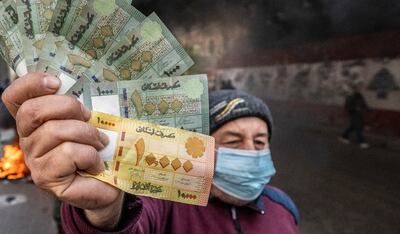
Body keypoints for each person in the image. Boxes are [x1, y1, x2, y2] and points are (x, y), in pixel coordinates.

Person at [2, 73, 300, 234]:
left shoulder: (283, 207)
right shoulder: (165, 205)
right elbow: (130, 225)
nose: (251, 152)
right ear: (199, 148)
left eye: (260, 142)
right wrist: (106, 212)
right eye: (233, 141)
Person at [339, 84, 370, 149]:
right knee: (358, 127)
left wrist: (368, 109)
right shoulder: (350, 97)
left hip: (359, 114)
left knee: (353, 127)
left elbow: (364, 104)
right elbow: (347, 106)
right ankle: (362, 142)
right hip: (353, 114)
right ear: (353, 90)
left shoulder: (360, 96)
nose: (357, 90)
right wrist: (354, 109)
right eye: (355, 89)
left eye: (358, 89)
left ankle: (343, 136)